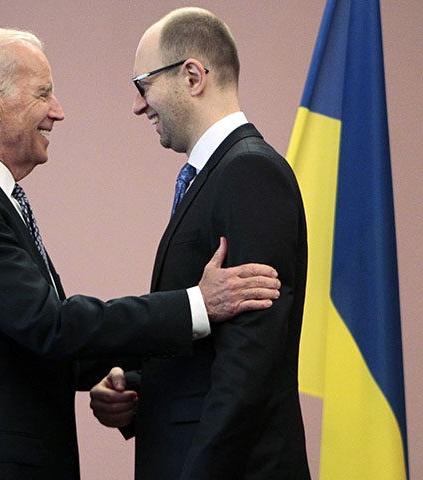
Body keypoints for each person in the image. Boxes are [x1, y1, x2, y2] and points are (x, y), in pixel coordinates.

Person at [0, 27, 282, 480]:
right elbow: (51, 325)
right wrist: (197, 305)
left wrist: (115, 376)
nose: (57, 112)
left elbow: (36, 340)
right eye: (43, 93)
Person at [89, 7, 311, 479]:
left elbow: (249, 363)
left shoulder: (250, 172)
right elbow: (209, 357)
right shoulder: (215, 175)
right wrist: (137, 388)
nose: (138, 105)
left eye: (142, 85)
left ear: (192, 76)